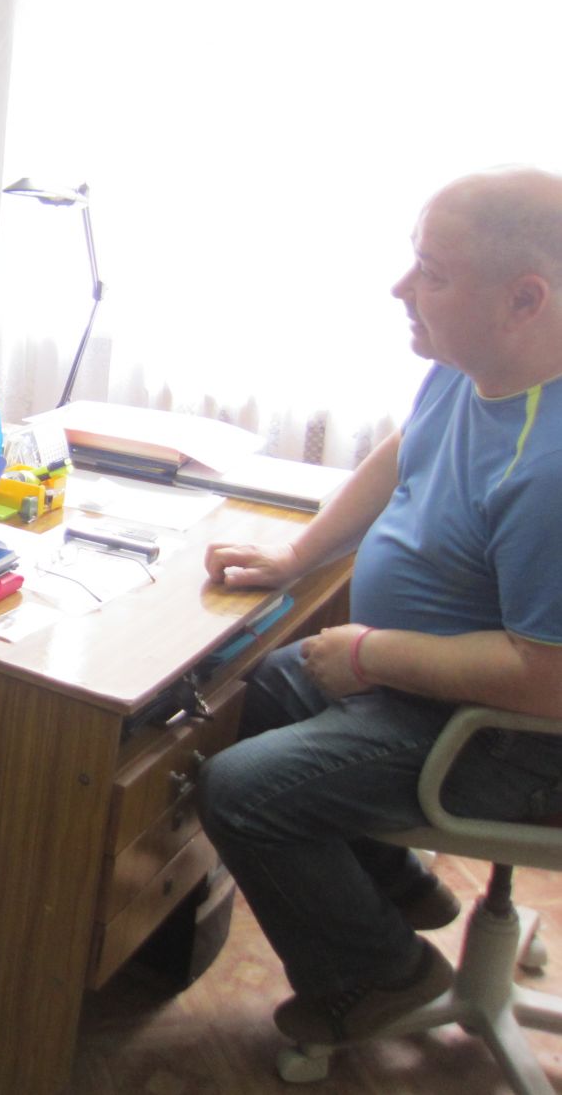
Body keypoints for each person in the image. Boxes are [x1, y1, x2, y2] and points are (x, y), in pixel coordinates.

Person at [196, 167, 562, 1048]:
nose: (402, 288)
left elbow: (545, 679)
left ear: (524, 299)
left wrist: (368, 655)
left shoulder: (551, 468)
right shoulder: (467, 368)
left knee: (240, 792)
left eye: (431, 273)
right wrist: (297, 556)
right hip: (433, 689)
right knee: (268, 680)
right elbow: (404, 451)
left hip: (511, 737)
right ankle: (396, 883)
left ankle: (380, 977)